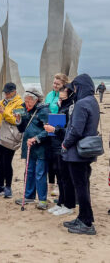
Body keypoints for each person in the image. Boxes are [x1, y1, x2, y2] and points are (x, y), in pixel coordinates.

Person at [61, 74, 99, 235]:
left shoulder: (82, 104)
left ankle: (87, 222)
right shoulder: (92, 102)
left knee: (81, 187)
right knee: (83, 185)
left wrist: (65, 143)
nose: (73, 90)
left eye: (75, 87)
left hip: (77, 152)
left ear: (80, 87)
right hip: (86, 150)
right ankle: (83, 216)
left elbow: (76, 130)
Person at [14, 88, 50, 210]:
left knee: (40, 173)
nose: (27, 103)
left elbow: (49, 130)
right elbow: (22, 128)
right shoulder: (23, 107)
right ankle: (29, 196)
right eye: (26, 100)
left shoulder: (44, 110)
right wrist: (18, 119)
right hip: (28, 146)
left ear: (36, 100)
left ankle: (42, 200)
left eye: (29, 101)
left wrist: (36, 138)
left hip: (40, 147)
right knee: (29, 172)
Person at [0, 83, 23, 198]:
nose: (6, 94)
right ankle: (0, 185)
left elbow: (16, 120)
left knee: (7, 162)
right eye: (5, 92)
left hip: (9, 138)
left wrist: (4, 112)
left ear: (14, 91)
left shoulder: (19, 103)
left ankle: (8, 187)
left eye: (8, 92)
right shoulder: (2, 102)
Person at [44, 87, 75, 215]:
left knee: (66, 177)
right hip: (57, 144)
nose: (60, 101)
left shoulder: (71, 108)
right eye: (59, 98)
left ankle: (68, 205)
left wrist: (54, 130)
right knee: (59, 175)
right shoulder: (62, 107)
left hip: (65, 145)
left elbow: (70, 130)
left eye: (63, 98)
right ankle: (61, 202)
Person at [45, 73, 69, 196]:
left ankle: (60, 188)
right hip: (48, 130)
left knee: (57, 160)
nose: (54, 85)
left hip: (59, 132)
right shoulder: (49, 95)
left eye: (57, 84)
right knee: (49, 160)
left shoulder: (65, 96)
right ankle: (51, 186)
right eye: (54, 83)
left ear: (64, 84)